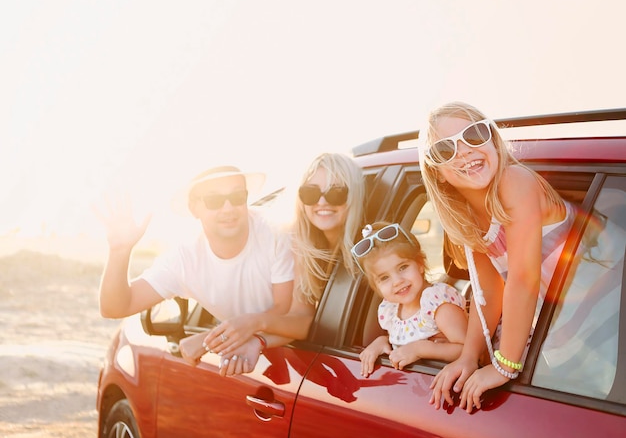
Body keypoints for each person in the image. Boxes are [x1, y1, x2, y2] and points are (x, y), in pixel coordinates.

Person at [419, 101, 576, 413]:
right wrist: (468, 354)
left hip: (598, 310)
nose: (463, 151)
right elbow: (489, 292)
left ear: (492, 138)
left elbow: (521, 278)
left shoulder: (514, 181)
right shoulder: (466, 220)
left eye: (474, 135)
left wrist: (505, 365)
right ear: (437, 174)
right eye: (445, 150)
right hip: (558, 327)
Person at [95, 165, 295, 375]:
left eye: (237, 197)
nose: (228, 208)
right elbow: (115, 308)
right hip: (270, 363)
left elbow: (287, 311)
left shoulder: (276, 233)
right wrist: (120, 251)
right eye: (214, 201)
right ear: (194, 208)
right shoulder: (184, 258)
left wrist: (210, 339)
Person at [197, 152, 366, 375]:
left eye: (336, 193)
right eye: (310, 193)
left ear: (354, 195)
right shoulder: (301, 248)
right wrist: (257, 339)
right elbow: (301, 320)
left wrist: (253, 325)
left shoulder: (370, 249)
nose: (322, 202)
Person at [351, 221, 467, 378]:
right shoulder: (392, 311)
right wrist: (383, 341)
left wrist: (420, 349)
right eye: (384, 277)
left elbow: (469, 351)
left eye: (403, 267)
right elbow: (406, 344)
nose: (397, 281)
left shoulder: (437, 303)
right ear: (376, 287)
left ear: (420, 264)